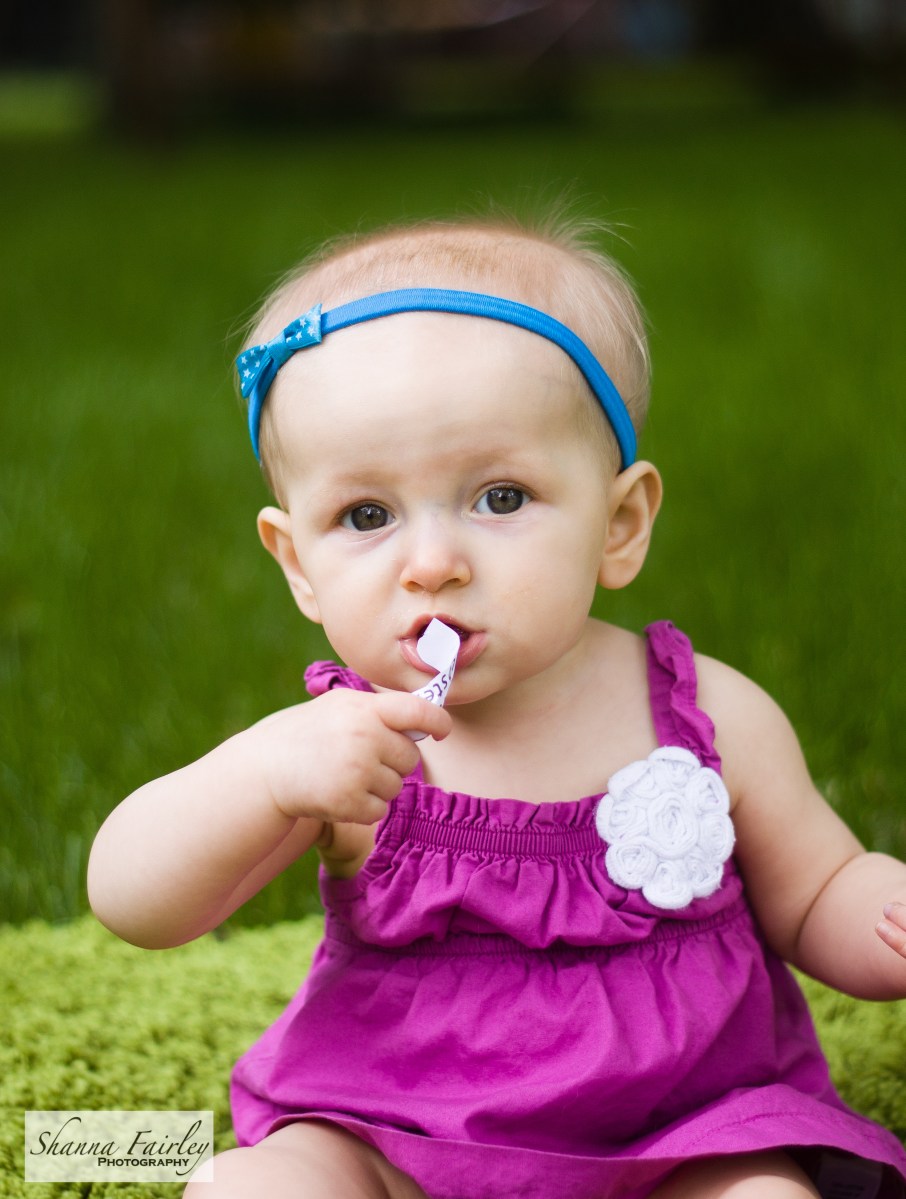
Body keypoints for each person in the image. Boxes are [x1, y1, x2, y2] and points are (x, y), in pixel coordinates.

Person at [88, 214, 906, 1199]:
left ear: (620, 523)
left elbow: (817, 892)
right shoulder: (345, 751)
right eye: (366, 515)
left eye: (502, 497)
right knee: (257, 1185)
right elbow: (135, 900)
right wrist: (263, 776)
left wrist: (881, 915)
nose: (433, 563)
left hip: (680, 1133)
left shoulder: (706, 717)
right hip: (391, 1128)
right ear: (298, 563)